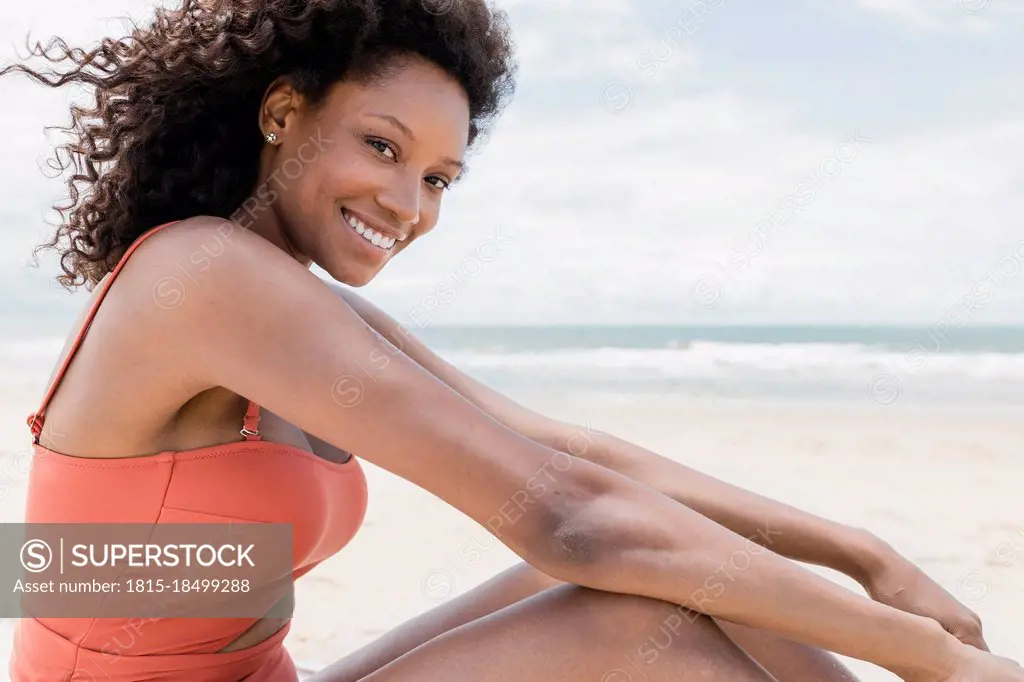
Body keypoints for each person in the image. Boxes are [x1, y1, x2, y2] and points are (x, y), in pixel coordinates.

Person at [2, 0, 1021, 680]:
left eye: (439, 178)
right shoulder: (202, 273)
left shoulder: (273, 294)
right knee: (631, 608)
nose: (406, 203)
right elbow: (567, 519)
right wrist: (930, 655)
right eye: (381, 146)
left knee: (668, 556)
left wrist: (868, 556)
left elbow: (576, 454)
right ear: (282, 113)